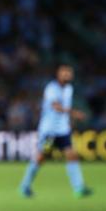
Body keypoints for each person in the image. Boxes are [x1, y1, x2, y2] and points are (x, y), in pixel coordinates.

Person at [19, 64, 92, 198]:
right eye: (64, 72)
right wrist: (74, 113)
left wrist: (69, 122)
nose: (67, 75)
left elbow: (64, 108)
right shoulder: (51, 88)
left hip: (62, 130)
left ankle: (79, 188)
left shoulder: (69, 88)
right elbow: (56, 106)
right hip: (49, 131)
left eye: (69, 73)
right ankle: (25, 186)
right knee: (41, 157)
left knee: (72, 155)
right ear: (58, 74)